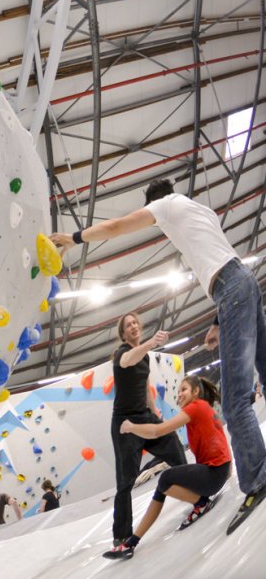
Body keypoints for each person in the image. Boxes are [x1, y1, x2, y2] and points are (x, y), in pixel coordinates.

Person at [51, 177, 266, 534]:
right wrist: (217, 321)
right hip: (240, 281)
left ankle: (257, 479)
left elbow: (118, 227)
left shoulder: (166, 207)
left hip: (230, 288)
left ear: (155, 203)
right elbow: (225, 261)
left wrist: (73, 239)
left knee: (235, 399)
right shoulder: (201, 211)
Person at [104, 375, 232, 559]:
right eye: (178, 391)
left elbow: (158, 431)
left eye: (184, 390)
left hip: (213, 475)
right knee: (163, 486)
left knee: (166, 478)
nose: (179, 394)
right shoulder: (204, 408)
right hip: (217, 472)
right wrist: (229, 468)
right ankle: (131, 543)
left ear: (196, 392)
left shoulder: (195, 408)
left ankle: (201, 503)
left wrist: (131, 427)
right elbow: (221, 437)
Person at [100, 311, 187, 550]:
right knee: (126, 481)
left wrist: (156, 413)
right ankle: (121, 536)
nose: (133, 326)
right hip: (125, 425)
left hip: (145, 416)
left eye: (135, 322)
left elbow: (145, 387)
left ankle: (193, 489)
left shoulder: (145, 358)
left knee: (175, 448)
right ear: (123, 333)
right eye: (128, 325)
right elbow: (128, 360)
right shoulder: (121, 354)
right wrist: (152, 342)